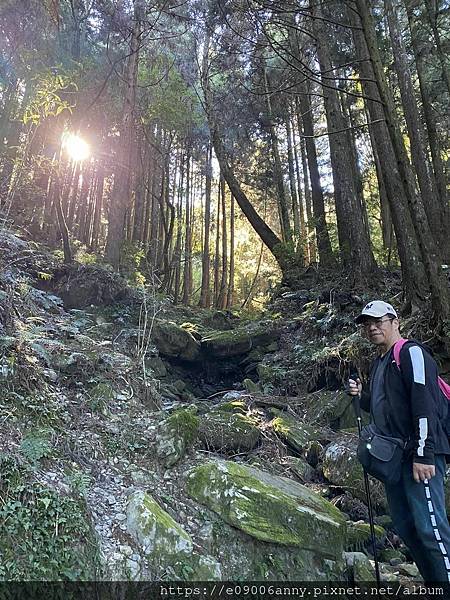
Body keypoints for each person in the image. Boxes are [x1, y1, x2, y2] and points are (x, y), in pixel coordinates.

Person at [349, 300, 450, 583]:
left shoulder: (410, 352)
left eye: (378, 321)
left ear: (395, 322)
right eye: (367, 324)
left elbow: (424, 404)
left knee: (431, 530)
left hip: (419, 457)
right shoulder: (381, 361)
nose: (372, 327)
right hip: (395, 458)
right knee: (408, 528)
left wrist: (424, 454)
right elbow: (387, 408)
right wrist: (361, 397)